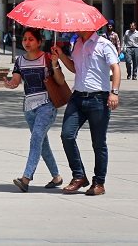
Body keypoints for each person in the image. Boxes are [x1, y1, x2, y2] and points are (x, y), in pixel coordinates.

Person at [52, 29, 121, 196]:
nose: (76, 27)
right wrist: (60, 56)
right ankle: (79, 176)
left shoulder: (104, 45)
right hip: (77, 97)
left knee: (98, 143)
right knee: (67, 135)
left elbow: (116, 68)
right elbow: (75, 68)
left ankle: (99, 182)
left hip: (98, 98)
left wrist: (114, 92)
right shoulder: (77, 44)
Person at [3, 28, 64, 192]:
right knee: (42, 144)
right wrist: (10, 84)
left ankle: (26, 178)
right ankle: (56, 176)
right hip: (29, 109)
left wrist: (55, 65)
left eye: (31, 39)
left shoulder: (48, 58)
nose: (26, 42)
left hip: (47, 106)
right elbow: (16, 80)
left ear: (39, 42)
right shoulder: (20, 61)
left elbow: (60, 80)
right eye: (24, 39)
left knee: (36, 139)